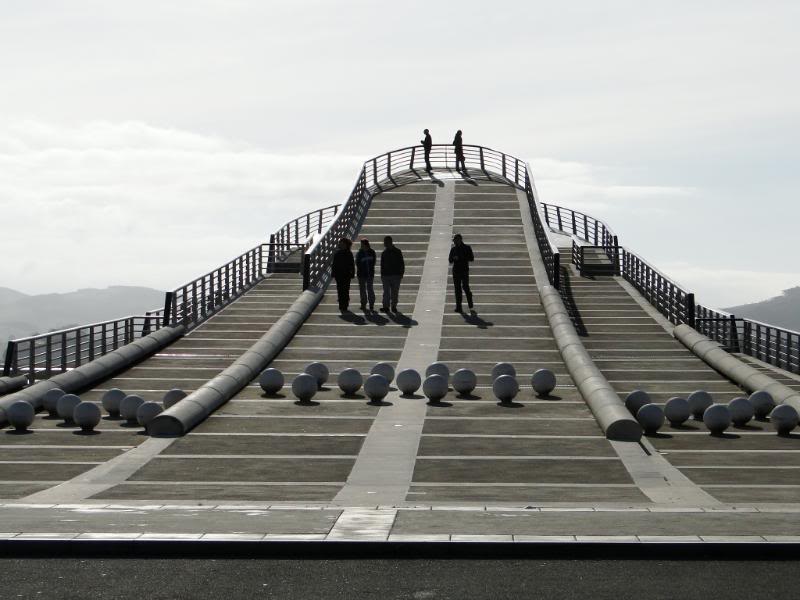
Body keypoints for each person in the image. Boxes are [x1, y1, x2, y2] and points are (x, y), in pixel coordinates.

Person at [449, 233, 474, 312]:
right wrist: (453, 258)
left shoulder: (467, 248)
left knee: (465, 287)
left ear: (459, 240)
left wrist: (461, 257)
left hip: (464, 270)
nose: (454, 242)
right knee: (457, 289)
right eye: (454, 241)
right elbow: (450, 260)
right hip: (456, 271)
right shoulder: (453, 249)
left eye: (455, 240)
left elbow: (471, 258)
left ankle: (470, 301)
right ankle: (458, 307)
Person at [380, 235, 405, 313]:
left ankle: (393, 306)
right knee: (386, 292)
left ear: (389, 242)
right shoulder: (384, 253)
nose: (384, 243)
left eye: (385, 242)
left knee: (394, 292)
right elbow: (382, 265)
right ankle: (386, 306)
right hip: (386, 275)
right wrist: (382, 274)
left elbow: (401, 263)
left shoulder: (397, 251)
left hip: (395, 275)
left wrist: (401, 273)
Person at [331, 238, 355, 313]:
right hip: (339, 275)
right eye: (340, 243)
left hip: (346, 275)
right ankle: (341, 305)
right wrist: (333, 273)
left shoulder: (349, 253)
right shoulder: (337, 253)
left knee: (345, 290)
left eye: (342, 243)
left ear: (346, 245)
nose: (341, 245)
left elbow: (352, 264)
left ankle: (345, 304)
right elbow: (334, 264)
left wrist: (353, 273)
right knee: (340, 290)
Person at [355, 238, 376, 311]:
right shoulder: (359, 253)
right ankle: (363, 304)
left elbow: (373, 262)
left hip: (370, 274)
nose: (361, 245)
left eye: (362, 244)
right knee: (362, 290)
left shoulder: (372, 252)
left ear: (366, 244)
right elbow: (357, 263)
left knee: (370, 289)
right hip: (361, 275)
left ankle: (371, 304)